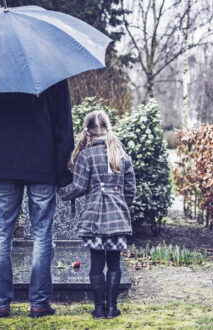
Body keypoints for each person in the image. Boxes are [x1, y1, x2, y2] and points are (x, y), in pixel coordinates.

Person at [0, 80, 74, 318]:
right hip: (42, 165)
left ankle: (0, 304)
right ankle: (39, 303)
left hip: (4, 162)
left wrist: (2, 131)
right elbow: (63, 128)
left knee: (1, 232)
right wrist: (63, 175)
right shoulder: (54, 75)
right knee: (41, 234)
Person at [58, 111, 135, 319]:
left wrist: (62, 192)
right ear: (107, 129)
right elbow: (130, 190)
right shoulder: (121, 154)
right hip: (117, 217)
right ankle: (112, 308)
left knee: (96, 264)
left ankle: (99, 309)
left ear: (88, 132)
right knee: (115, 263)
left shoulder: (85, 155)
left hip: (94, 218)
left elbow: (79, 187)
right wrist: (119, 207)